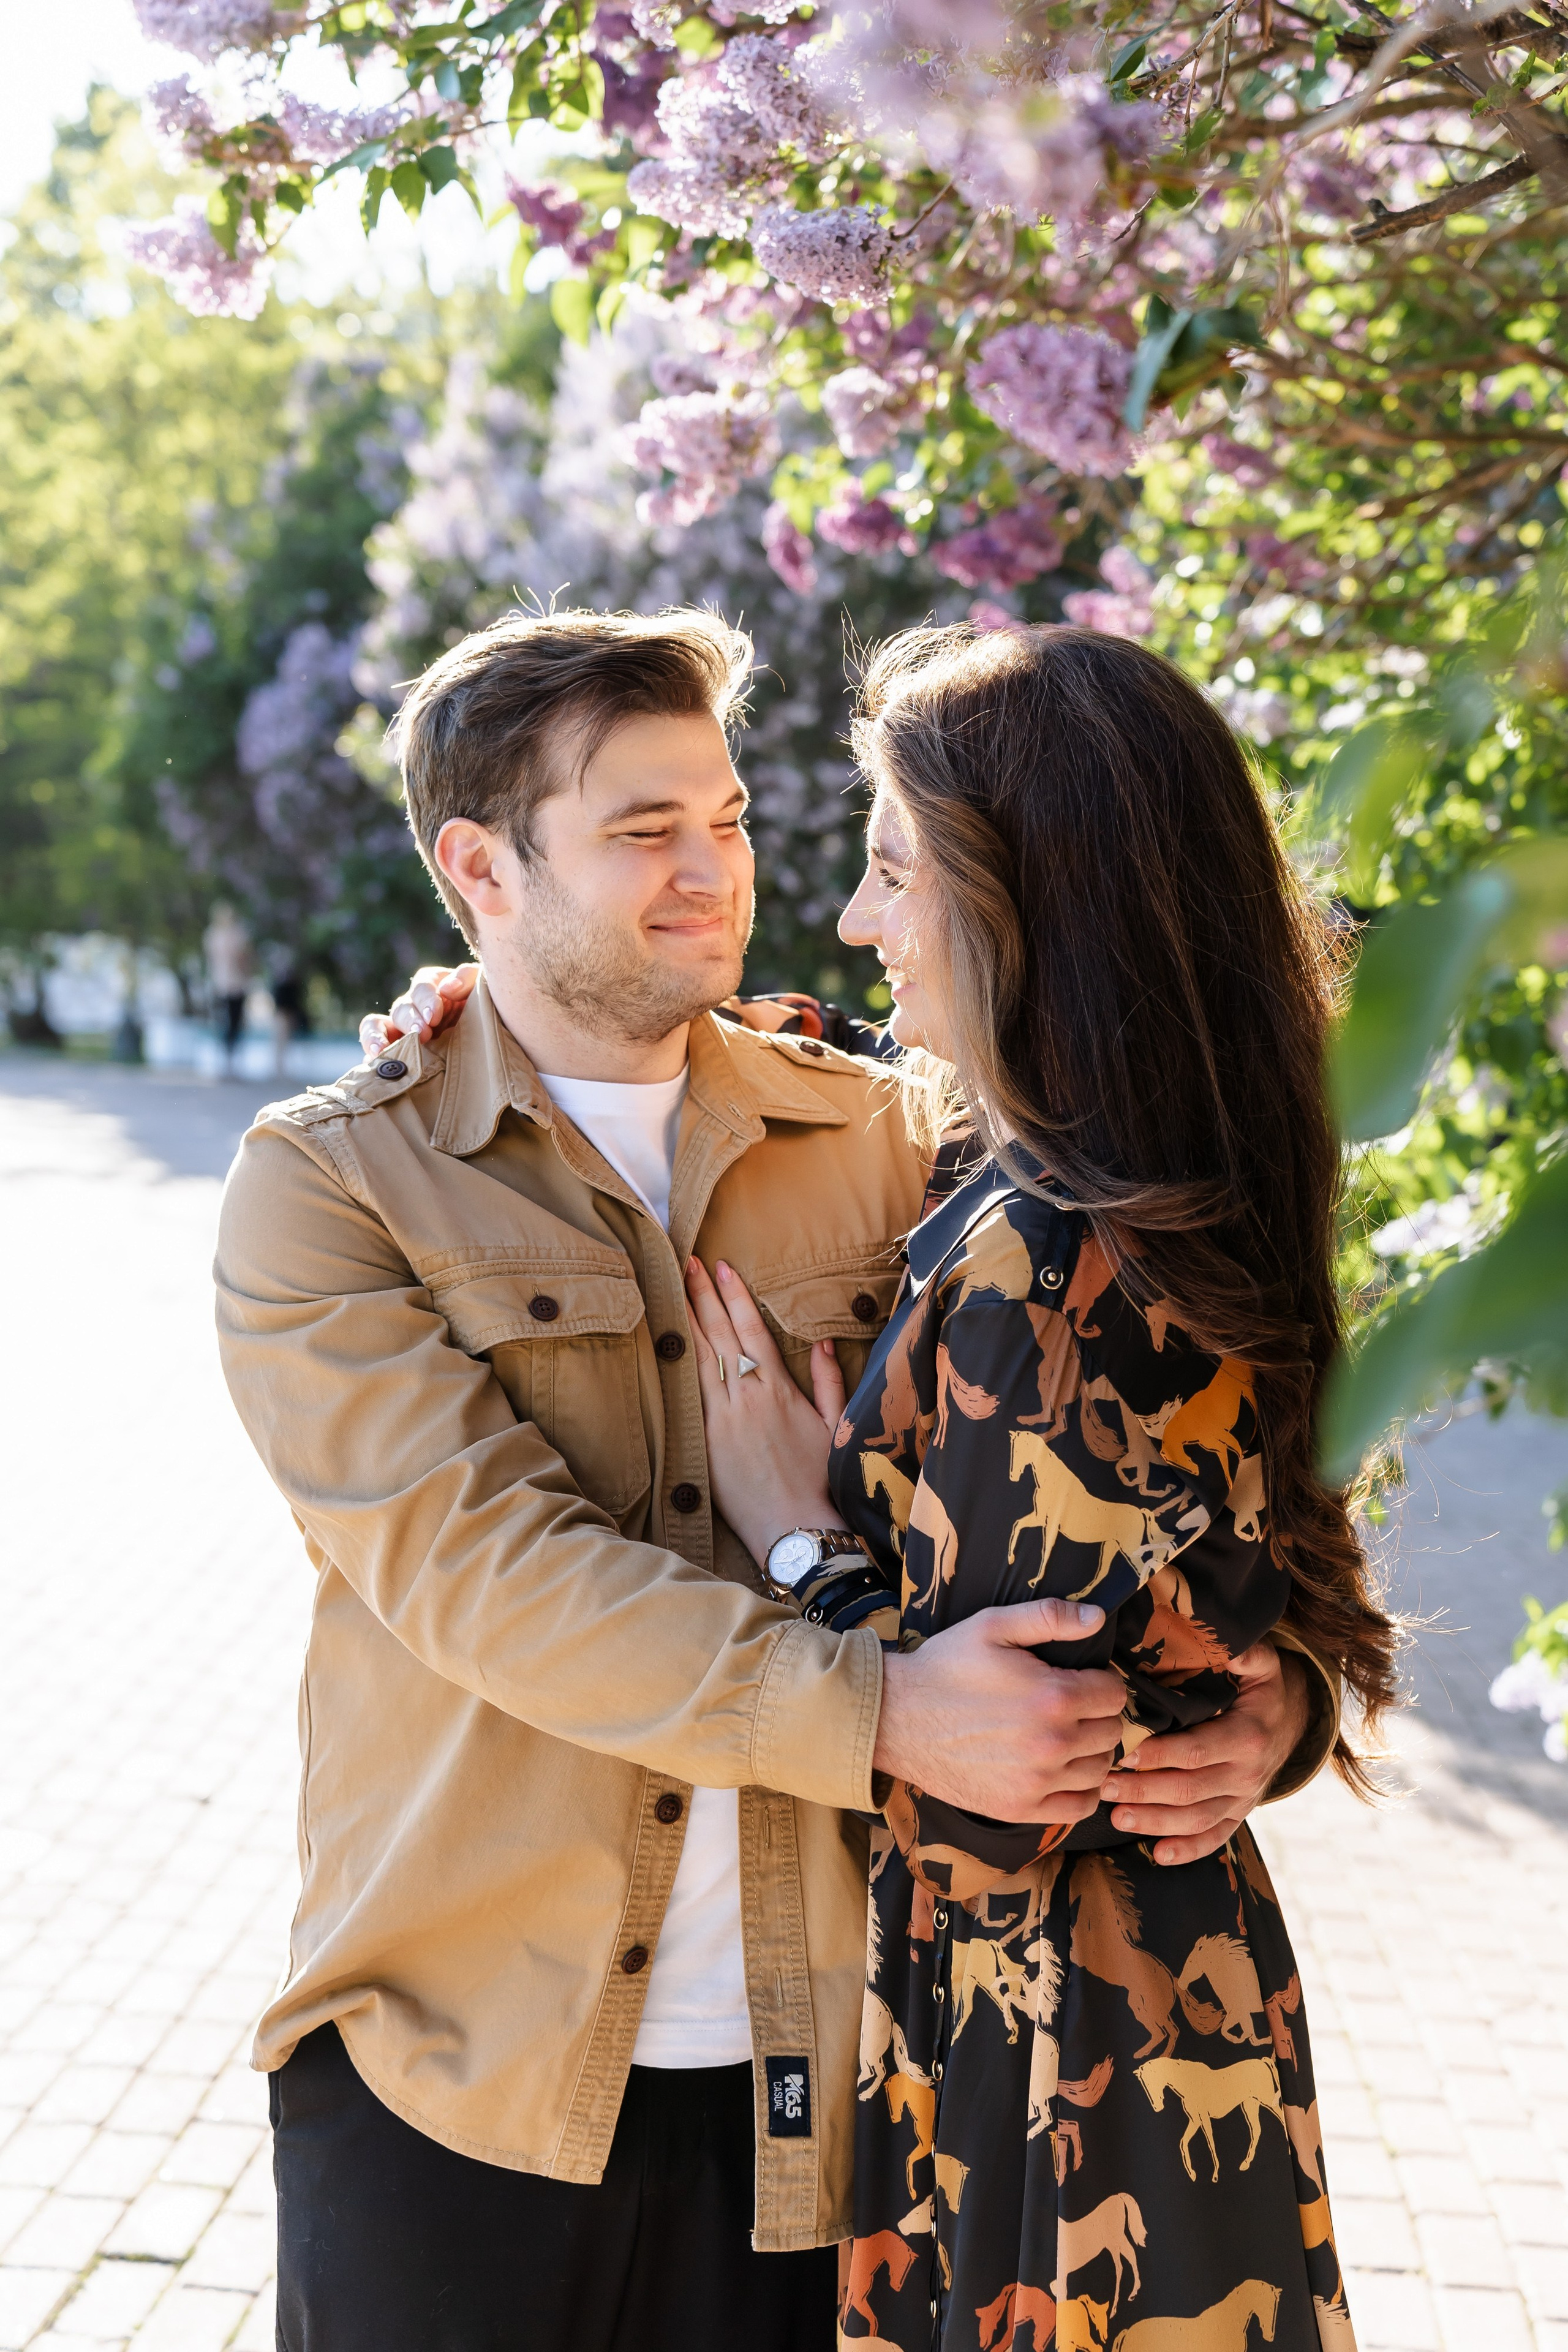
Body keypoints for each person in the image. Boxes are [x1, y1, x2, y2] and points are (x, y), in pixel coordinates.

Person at [219, 609, 1337, 2352]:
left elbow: (1202, 1372)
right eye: (641, 830)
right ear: (479, 867)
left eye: (726, 816)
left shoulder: (905, 1137)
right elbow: (490, 1576)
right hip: (458, 2071)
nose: (711, 871)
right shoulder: (337, 1187)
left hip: (829, 2099)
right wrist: (880, 1705)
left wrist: (1282, 1698)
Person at [671, 623, 1394, 2347]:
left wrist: (794, 1530)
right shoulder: (1178, 1178)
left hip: (1052, 2065)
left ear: (1032, 913)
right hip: (1178, 2010)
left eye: (894, 871)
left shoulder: (1040, 1256)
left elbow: (1005, 1784)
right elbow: (1224, 1609)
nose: (854, 919)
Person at [203, 902, 252, 1077]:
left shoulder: (221, 934)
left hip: (232, 985)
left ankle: (230, 1063)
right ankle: (227, 1063)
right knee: (229, 1024)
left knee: (231, 1023)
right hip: (227, 984)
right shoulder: (218, 934)